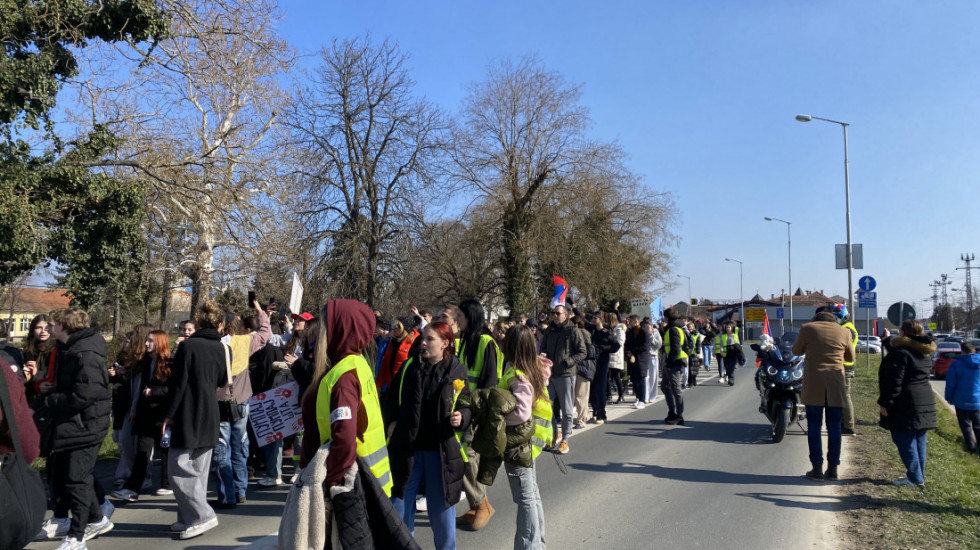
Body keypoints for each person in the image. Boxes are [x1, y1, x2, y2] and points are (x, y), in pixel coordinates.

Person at [387, 320, 470, 550]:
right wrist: (391, 420)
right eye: (423, 338)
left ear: (445, 343)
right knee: (399, 508)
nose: (423, 342)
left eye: (429, 339)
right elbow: (392, 398)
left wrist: (462, 417)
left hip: (440, 452)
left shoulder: (456, 370)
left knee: (441, 512)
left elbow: (467, 404)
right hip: (407, 449)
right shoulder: (409, 367)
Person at [43, 308, 114, 549]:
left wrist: (52, 399)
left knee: (77, 480)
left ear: (64, 326)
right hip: (75, 423)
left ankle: (76, 537)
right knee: (71, 476)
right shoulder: (69, 348)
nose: (47, 329)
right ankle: (96, 519)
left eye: (51, 324)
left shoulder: (85, 353)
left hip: (87, 424)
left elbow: (85, 393)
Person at [163, 300, 229, 540]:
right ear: (219, 324)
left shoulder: (189, 346)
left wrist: (168, 414)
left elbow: (178, 384)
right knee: (199, 470)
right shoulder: (222, 347)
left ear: (198, 323)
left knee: (178, 467)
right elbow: (222, 381)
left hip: (188, 410)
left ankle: (201, 515)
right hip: (211, 409)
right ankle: (188, 518)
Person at [499, 324, 552, 550]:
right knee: (532, 494)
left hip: (520, 443)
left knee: (525, 499)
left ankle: (528, 546)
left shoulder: (517, 376)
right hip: (533, 442)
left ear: (511, 346)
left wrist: (500, 417)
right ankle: (537, 542)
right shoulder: (533, 369)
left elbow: (521, 413)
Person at [213, 302, 270, 507]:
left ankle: (226, 493)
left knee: (222, 446)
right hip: (242, 400)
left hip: (220, 402)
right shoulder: (244, 342)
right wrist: (261, 313)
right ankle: (240, 489)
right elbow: (265, 334)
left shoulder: (216, 345)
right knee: (240, 445)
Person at [792, 306, 855, 481]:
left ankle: (817, 469)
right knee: (834, 427)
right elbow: (850, 358)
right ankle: (833, 469)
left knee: (814, 426)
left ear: (816, 318)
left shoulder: (807, 328)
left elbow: (796, 351)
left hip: (814, 383)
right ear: (834, 318)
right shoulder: (844, 331)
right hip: (836, 382)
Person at [455, 298, 501, 531]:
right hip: (464, 408)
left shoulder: (486, 342)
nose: (456, 321)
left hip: (476, 411)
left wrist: (475, 411)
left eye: (460, 317)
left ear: (470, 317)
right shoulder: (465, 340)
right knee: (465, 458)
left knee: (469, 459)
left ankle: (482, 505)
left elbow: (489, 382)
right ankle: (476, 505)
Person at [111, 330, 172, 502]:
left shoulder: (170, 362)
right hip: (146, 414)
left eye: (151, 341)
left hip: (163, 414)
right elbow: (137, 384)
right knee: (142, 452)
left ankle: (167, 483)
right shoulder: (145, 362)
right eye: (146, 340)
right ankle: (132, 488)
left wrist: (155, 391)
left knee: (166, 449)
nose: (146, 344)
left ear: (160, 342)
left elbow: (174, 389)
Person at [878, 320, 937, 486]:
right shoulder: (924, 352)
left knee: (903, 439)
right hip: (925, 399)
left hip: (906, 401)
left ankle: (915, 477)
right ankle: (918, 476)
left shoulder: (901, 354)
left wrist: (885, 403)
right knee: (919, 440)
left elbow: (894, 382)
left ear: (903, 332)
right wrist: (887, 341)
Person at [541, 304, 586, 454]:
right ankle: (555, 434)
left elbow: (582, 352)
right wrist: (543, 356)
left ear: (565, 315)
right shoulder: (549, 330)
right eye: (553, 313)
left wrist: (569, 361)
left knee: (567, 410)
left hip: (566, 374)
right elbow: (543, 348)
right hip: (550, 374)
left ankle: (565, 438)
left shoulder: (573, 330)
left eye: (557, 313)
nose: (554, 315)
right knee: (546, 407)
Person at [945, 341, 980, 454]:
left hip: (961, 400)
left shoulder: (956, 364)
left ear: (962, 351)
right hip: (977, 400)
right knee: (978, 425)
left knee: (965, 426)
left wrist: (948, 397)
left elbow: (951, 383)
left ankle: (971, 447)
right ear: (973, 350)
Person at [589, 313, 620, 424]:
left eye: (594, 318)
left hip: (602, 362)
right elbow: (580, 318)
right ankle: (595, 412)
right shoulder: (591, 330)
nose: (592, 319)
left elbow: (616, 346)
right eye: (592, 318)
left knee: (600, 389)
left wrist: (604, 348)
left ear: (601, 320)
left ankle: (602, 414)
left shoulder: (607, 332)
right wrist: (573, 306)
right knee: (592, 389)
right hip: (592, 363)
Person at [834, 304, 860, 436]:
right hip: (842, 365)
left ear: (846, 316)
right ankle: (843, 423)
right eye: (835, 316)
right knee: (841, 396)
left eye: (839, 316)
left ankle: (849, 426)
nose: (836, 318)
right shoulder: (845, 328)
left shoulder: (847, 329)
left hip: (845, 365)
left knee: (845, 395)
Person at [21, 314, 56, 402]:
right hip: (28, 396)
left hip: (45, 399)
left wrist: (36, 374)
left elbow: (53, 376)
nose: (43, 331)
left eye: (47, 328)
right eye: (39, 328)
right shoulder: (27, 351)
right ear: (33, 330)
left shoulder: (55, 349)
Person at [662, 315, 689, 425]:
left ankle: (679, 416)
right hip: (672, 361)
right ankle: (672, 412)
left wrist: (669, 363)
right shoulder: (673, 328)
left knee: (675, 389)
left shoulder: (674, 329)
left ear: (668, 318)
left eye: (664, 317)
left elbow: (676, 348)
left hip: (675, 362)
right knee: (665, 387)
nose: (663, 319)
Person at [623, 315, 649, 409]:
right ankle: (638, 398)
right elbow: (627, 344)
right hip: (632, 358)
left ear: (636, 321)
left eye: (631, 321)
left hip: (641, 358)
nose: (629, 323)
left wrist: (632, 351)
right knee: (634, 379)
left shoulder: (644, 331)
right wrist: (628, 352)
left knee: (641, 379)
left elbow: (645, 346)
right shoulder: (630, 332)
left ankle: (642, 400)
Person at [607, 313, 627, 404]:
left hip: (616, 355)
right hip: (609, 355)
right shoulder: (610, 329)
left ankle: (621, 395)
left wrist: (611, 345)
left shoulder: (619, 330)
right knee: (608, 377)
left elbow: (620, 342)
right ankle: (609, 395)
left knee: (616, 376)